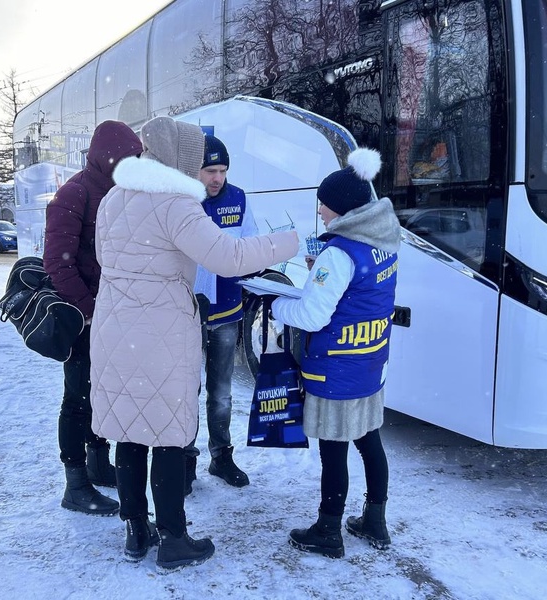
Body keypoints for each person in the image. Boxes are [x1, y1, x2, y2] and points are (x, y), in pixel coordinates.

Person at [89, 116, 299, 569]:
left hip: (114, 329)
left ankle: (136, 532)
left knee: (129, 432)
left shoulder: (113, 199)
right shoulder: (176, 203)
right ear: (182, 159)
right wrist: (288, 241)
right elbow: (229, 257)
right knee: (166, 433)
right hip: (160, 331)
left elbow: (105, 258)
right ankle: (174, 540)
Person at [270, 148, 401, 558]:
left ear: (343, 208)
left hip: (336, 369)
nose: (321, 212)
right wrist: (320, 274)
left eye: (324, 206)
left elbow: (311, 315)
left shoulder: (339, 253)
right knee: (369, 441)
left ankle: (328, 531)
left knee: (334, 452)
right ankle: (375, 521)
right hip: (369, 360)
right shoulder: (381, 240)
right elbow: (360, 295)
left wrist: (277, 305)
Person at [43, 120, 143, 516]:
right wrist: (89, 309)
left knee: (104, 393)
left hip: (114, 315)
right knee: (78, 398)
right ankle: (76, 483)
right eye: (125, 160)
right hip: (85, 317)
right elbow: (57, 264)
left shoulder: (127, 192)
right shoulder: (74, 194)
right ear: (104, 159)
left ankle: (99, 464)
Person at [184, 135, 257, 494]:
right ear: (194, 170)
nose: (217, 178)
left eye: (223, 170)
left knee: (222, 392)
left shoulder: (239, 199)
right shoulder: (181, 200)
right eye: (210, 170)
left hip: (227, 309)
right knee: (185, 389)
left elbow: (249, 245)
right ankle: (183, 460)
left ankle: (221, 457)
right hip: (187, 312)